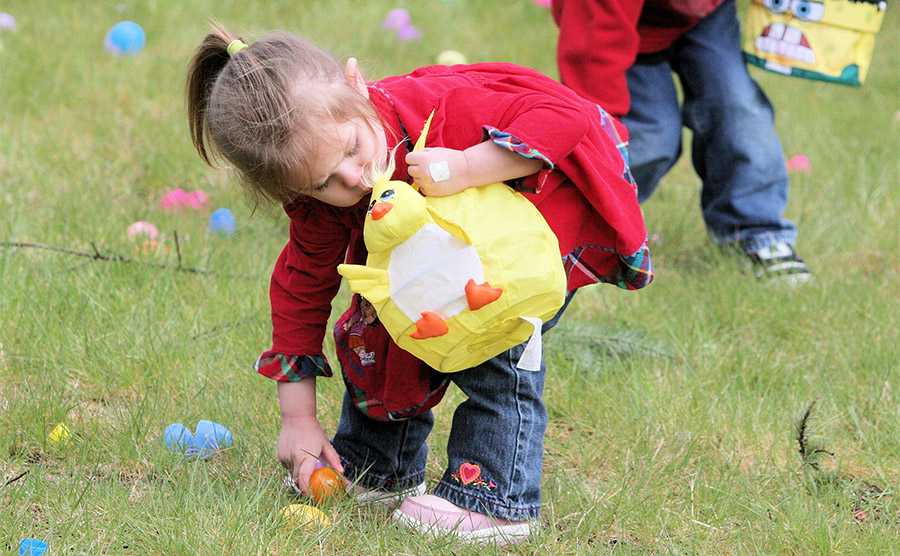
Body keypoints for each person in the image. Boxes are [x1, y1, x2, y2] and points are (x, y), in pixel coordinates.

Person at [185, 24, 652, 544]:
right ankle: (377, 468)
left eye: (351, 148)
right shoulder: (320, 204)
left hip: (520, 248)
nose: (354, 179)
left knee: (494, 352)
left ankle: (497, 498)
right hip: (434, 262)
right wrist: (297, 419)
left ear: (355, 84)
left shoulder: (440, 107)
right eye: (323, 183)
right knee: (380, 332)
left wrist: (470, 165)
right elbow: (300, 291)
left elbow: (569, 114)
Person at [553, 0, 812, 284]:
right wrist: (599, 126)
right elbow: (595, 48)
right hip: (612, 27)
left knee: (738, 109)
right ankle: (585, 234)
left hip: (703, 15)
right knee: (651, 137)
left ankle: (756, 234)